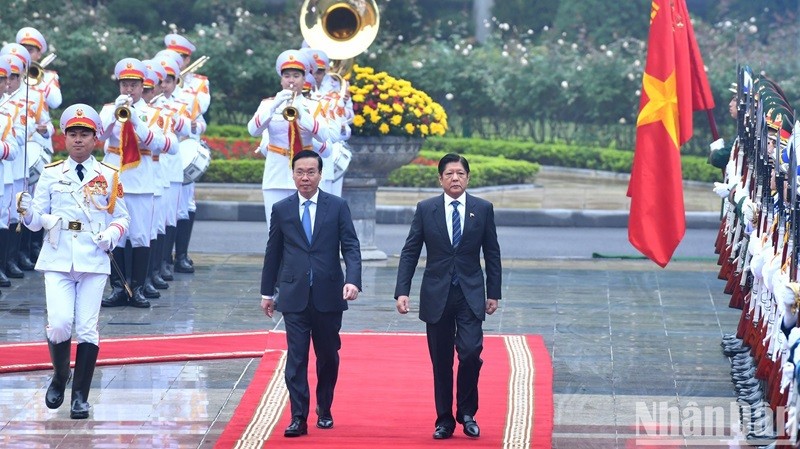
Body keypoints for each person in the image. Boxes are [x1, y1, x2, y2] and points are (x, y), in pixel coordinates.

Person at [16, 104, 129, 419]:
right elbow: (36, 222)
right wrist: (26, 210)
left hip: (93, 259)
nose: (78, 140)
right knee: (61, 323)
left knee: (88, 328)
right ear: (64, 138)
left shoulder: (108, 174)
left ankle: (80, 397)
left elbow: (122, 218)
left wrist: (111, 235)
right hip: (58, 256)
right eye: (73, 134)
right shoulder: (51, 174)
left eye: (85, 134)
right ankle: (60, 375)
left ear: (95, 138)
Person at [394, 153, 502, 440]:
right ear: (440, 178)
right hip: (436, 294)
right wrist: (402, 290)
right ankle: (444, 420)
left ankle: (466, 413)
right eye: (450, 174)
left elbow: (492, 253)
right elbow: (410, 251)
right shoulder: (426, 209)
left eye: (460, 173)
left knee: (469, 353)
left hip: (470, 294)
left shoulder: (482, 209)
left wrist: (494, 293)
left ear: (468, 177)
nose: (455, 178)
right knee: (441, 361)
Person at [259, 150, 361, 437]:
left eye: (311, 172)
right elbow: (273, 252)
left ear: (320, 174)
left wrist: (352, 280)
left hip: (329, 294)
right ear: (292, 174)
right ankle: (298, 417)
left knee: (328, 356)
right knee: (297, 358)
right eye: (300, 172)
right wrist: (268, 292)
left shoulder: (337, 206)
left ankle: (324, 407)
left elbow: (351, 246)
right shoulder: (281, 209)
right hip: (294, 295)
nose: (305, 177)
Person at [98, 58, 170, 308]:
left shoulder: (153, 114)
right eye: (124, 84)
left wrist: (136, 121)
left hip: (141, 180)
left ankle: (136, 288)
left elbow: (160, 144)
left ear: (142, 86)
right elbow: (99, 135)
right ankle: (117, 288)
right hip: (114, 177)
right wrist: (114, 117)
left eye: (133, 85)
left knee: (140, 236)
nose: (128, 89)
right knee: (115, 235)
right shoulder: (110, 109)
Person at [247, 49, 334, 232]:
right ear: (281, 79)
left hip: (305, 175)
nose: (291, 80)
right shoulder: (268, 104)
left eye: (296, 75)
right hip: (277, 172)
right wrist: (274, 106)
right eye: (287, 76)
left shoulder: (313, 106)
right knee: (275, 228)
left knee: (305, 227)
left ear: (304, 80)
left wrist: (303, 115)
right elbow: (253, 130)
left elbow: (324, 136)